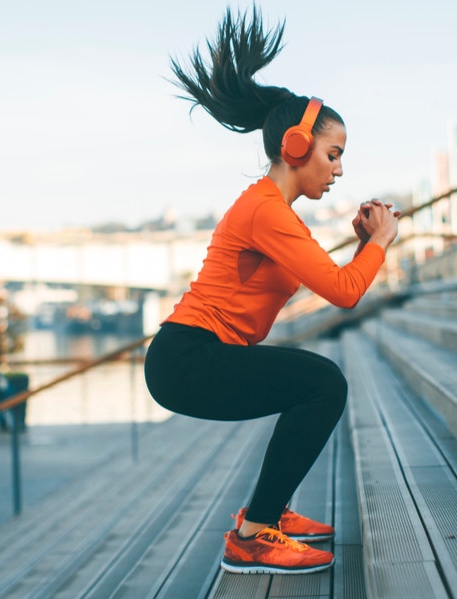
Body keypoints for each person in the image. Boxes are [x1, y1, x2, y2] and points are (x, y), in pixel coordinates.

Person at [143, 7, 399, 576]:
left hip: (197, 354)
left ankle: (266, 516)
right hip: (187, 358)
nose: (337, 171)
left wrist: (364, 248)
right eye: (333, 155)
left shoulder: (275, 213)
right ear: (295, 146)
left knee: (312, 384)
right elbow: (343, 293)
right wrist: (381, 241)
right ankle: (254, 536)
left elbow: (337, 280)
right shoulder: (266, 211)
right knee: (322, 383)